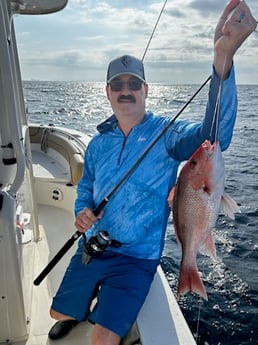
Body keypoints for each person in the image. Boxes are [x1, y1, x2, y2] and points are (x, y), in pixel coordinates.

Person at [48, 1, 257, 344]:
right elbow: (86, 186)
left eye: (134, 83)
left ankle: (107, 308)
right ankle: (84, 307)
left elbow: (215, 135)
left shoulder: (168, 134)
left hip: (136, 258)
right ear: (108, 93)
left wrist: (223, 59)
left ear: (146, 90)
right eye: (118, 85)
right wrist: (81, 211)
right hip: (94, 246)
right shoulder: (99, 144)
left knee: (102, 340)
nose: (126, 90)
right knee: (59, 315)